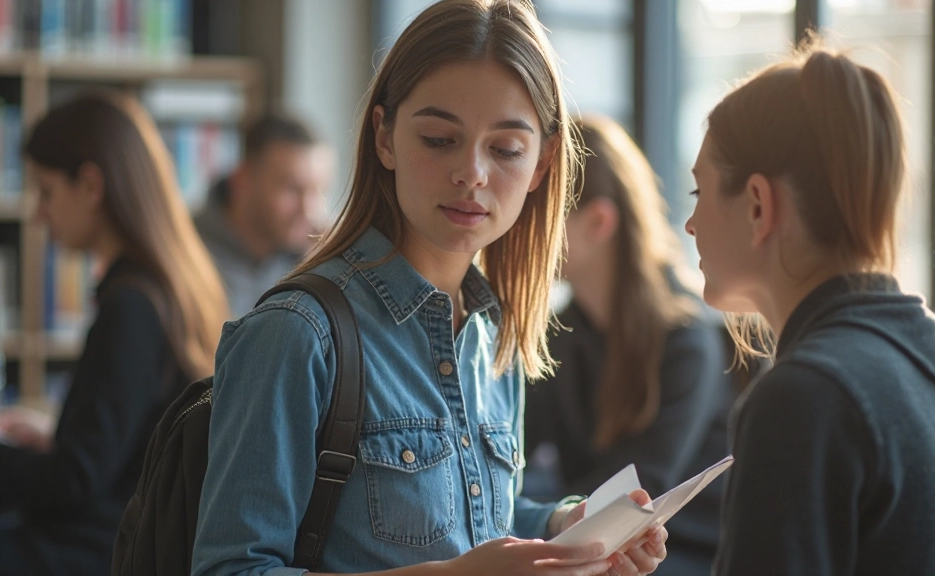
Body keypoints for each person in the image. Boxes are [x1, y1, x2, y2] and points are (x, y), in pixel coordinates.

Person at [192, 2, 669, 576]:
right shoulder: (296, 333)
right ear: (385, 137)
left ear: (542, 165)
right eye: (440, 139)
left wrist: (562, 525)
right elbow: (231, 568)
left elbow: (476, 517)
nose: (471, 173)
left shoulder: (492, 332)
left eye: (506, 149)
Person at [0, 91, 229, 576]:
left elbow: (73, 481)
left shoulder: (130, 306)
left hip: (92, 551)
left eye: (45, 192)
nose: (38, 215)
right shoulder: (169, 289)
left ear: (90, 185)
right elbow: (125, 444)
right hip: (124, 538)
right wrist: (60, 436)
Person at [684, 41, 935, 575]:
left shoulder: (803, 398)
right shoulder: (918, 355)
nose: (690, 224)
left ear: (758, 205)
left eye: (698, 193)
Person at [524, 117, 731, 576]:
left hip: (682, 559)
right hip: (604, 551)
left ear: (598, 222)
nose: (517, 229)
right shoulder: (558, 333)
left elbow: (638, 494)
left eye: (537, 214)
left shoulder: (686, 340)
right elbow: (511, 454)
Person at [193, 111, 335, 316]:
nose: (309, 210)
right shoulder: (185, 251)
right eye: (291, 189)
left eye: (319, 191)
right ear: (242, 180)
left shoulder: (312, 257)